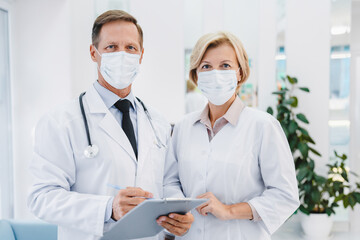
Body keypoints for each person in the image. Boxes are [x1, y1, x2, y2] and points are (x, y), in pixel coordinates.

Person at [27, 10, 193, 240]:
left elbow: (168, 182)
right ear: (93, 53)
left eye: (130, 48)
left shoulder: (158, 122)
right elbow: (41, 197)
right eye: (111, 47)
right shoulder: (60, 121)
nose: (122, 55)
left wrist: (177, 213)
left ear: (141, 55)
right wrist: (107, 208)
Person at [163, 31, 300, 239]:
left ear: (240, 73)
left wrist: (230, 210)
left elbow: (285, 196)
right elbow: (170, 181)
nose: (215, 73)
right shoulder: (183, 127)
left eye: (225, 65)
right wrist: (179, 212)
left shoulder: (263, 126)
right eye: (206, 66)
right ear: (196, 75)